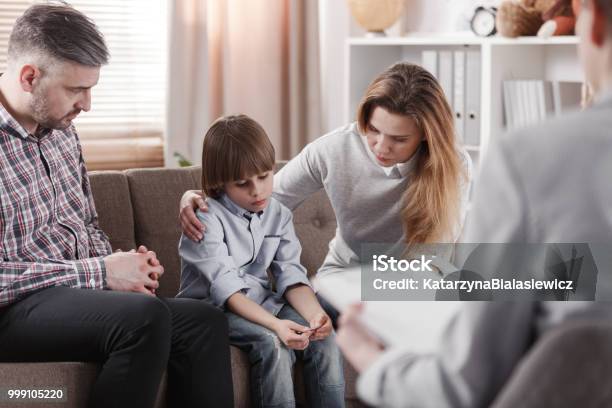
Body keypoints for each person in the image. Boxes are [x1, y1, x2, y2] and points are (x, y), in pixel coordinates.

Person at [335, 0, 612, 407]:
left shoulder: (529, 159)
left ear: (592, 19)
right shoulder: (336, 149)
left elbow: (464, 387)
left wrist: (371, 362)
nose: (382, 146)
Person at [0, 5, 232, 408]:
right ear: (29, 77)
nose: (87, 104)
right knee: (143, 320)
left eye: (91, 89)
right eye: (76, 90)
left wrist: (125, 268)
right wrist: (101, 273)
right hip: (13, 309)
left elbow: (85, 223)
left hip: (71, 297)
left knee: (203, 322)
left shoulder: (61, 133)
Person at [179, 63, 472, 279]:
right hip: (343, 276)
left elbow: (432, 259)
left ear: (425, 135)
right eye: (373, 130)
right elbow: (266, 199)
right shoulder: (334, 149)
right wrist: (201, 199)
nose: (381, 147)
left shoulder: (453, 166)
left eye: (399, 139)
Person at [177, 114, 345, 408]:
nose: (257, 191)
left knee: (325, 339)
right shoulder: (204, 217)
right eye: (242, 183)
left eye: (265, 176)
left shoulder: (278, 213)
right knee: (273, 343)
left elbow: (291, 275)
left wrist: (316, 316)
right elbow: (228, 293)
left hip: (262, 303)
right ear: (220, 183)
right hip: (214, 312)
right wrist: (277, 326)